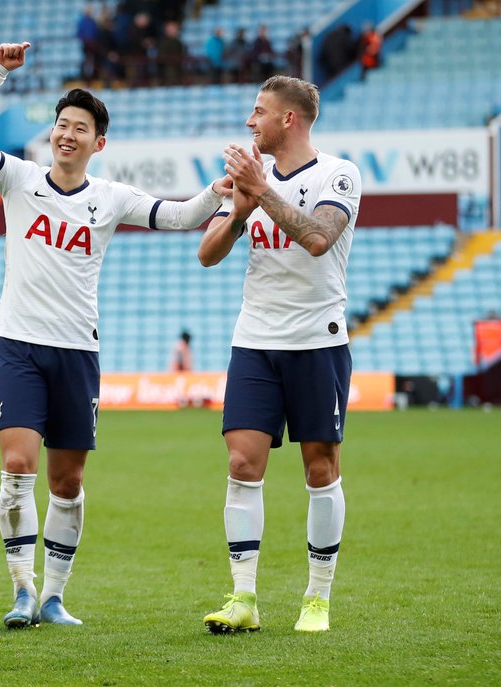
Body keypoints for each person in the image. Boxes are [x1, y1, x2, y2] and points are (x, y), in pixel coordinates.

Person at [0, 41, 230, 629]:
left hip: (78, 353)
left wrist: (220, 192)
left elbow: (182, 216)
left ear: (97, 142)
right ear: (51, 133)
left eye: (80, 128)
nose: (67, 135)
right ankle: (23, 590)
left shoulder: (109, 199)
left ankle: (56, 595)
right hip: (20, 346)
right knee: (16, 465)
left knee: (68, 480)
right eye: (61, 125)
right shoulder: (19, 181)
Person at [197, 75, 362, 634]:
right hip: (255, 341)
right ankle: (244, 600)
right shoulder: (252, 182)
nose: (250, 121)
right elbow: (207, 254)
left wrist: (261, 190)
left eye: (259, 111)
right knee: (242, 464)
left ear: (288, 119)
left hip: (317, 341)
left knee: (320, 469)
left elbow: (318, 238)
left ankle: (317, 598)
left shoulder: (338, 174)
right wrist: (241, 208)